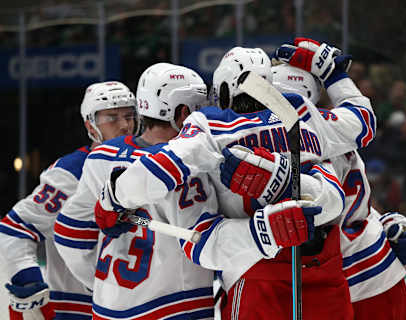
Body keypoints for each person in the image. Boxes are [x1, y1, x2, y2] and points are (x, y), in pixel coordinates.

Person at [94, 43, 376, 319]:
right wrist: (334, 75)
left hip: (255, 274)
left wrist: (114, 196)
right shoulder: (303, 114)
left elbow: (162, 179)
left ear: (223, 89)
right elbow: (363, 122)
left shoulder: (211, 127)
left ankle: (281, 186)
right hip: (326, 272)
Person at [54, 63, 220, 319]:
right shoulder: (195, 164)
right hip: (176, 307)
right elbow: (214, 244)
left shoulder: (101, 156)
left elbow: (68, 232)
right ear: (184, 111)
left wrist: (99, 282)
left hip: (108, 308)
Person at [271, 44, 406, 320]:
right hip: (379, 273)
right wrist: (335, 75)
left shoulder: (269, 142)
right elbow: (353, 204)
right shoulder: (337, 129)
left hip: (326, 289)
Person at [0, 81, 138, 319]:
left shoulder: (146, 163)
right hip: (78, 307)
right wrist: (27, 276)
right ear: (91, 125)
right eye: (112, 118)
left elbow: (142, 222)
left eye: (129, 116)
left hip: (136, 303)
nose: (125, 125)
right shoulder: (72, 171)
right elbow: (16, 227)